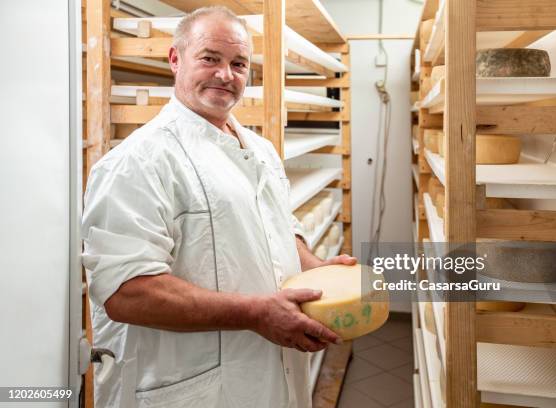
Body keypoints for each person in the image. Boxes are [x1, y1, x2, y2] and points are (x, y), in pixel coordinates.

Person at [82, 6, 355, 408]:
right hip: (189, 387)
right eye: (210, 58)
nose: (226, 75)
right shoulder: (137, 161)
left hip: (271, 377)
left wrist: (316, 269)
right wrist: (256, 314)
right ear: (176, 60)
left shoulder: (261, 150)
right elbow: (125, 294)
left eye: (239, 64)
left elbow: (278, 229)